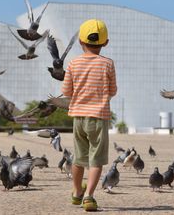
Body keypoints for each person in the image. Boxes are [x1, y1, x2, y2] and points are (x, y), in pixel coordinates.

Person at [62, 19, 117, 211]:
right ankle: (89, 196)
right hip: (99, 117)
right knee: (97, 159)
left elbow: (67, 92)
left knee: (79, 157)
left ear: (80, 41)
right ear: (105, 42)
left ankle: (77, 192)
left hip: (78, 117)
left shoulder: (73, 63)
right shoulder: (108, 64)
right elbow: (113, 90)